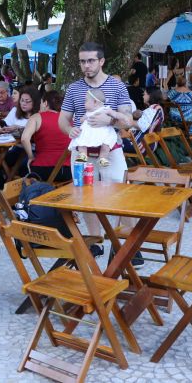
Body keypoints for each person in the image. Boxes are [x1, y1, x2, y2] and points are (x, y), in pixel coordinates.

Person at [59, 42, 133, 248]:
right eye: (82, 61)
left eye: (91, 61)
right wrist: (69, 130)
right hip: (82, 151)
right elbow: (63, 119)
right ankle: (95, 242)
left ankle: (129, 245)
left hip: (110, 150)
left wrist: (109, 121)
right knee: (84, 196)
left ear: (101, 61)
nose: (86, 66)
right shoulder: (74, 89)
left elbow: (127, 120)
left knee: (122, 193)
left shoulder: (117, 86)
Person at [21, 90, 71, 182]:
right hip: (68, 170)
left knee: (23, 168)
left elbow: (24, 139)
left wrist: (31, 157)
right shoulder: (68, 118)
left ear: (45, 103)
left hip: (42, 169)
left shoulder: (36, 117)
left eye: (40, 103)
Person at [68, 89, 118, 167]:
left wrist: (111, 118)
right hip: (89, 131)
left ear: (95, 102)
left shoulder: (106, 110)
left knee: (107, 144)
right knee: (81, 141)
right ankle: (83, 155)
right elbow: (82, 119)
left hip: (103, 132)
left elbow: (115, 116)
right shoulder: (88, 113)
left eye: (86, 101)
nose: (84, 103)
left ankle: (103, 158)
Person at [123, 88, 165, 157]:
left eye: (144, 94)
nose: (143, 96)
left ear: (150, 95)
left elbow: (142, 125)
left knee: (114, 143)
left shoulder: (154, 108)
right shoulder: (155, 108)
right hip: (147, 143)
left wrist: (127, 120)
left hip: (142, 145)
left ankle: (109, 165)